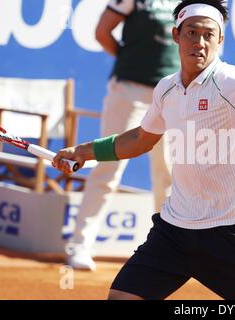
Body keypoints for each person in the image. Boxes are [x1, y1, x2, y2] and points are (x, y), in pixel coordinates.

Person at [54, 0, 235, 299]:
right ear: (176, 36)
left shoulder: (232, 83)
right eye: (192, 33)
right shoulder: (166, 88)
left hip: (229, 233)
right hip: (174, 231)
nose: (200, 43)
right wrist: (83, 151)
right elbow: (141, 139)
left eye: (209, 34)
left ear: (220, 39)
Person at [65, 0, 181, 271]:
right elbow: (102, 31)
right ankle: (79, 245)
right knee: (108, 166)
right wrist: (129, 60)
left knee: (167, 174)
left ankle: (167, 249)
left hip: (171, 96)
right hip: (129, 90)